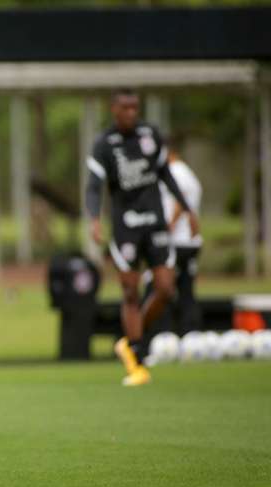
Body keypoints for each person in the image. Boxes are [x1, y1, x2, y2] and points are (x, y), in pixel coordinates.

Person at [86, 89, 199, 386]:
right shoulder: (104, 144)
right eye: (125, 108)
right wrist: (94, 219)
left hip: (155, 224)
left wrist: (187, 210)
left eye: (135, 108)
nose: (131, 113)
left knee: (164, 287)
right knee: (130, 291)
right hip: (126, 226)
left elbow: (166, 174)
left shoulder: (150, 135)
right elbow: (94, 186)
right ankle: (136, 357)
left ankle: (133, 340)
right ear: (113, 109)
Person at [149, 142, 204, 335]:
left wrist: (168, 228)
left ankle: (160, 335)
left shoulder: (176, 172)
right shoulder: (188, 172)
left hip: (175, 241)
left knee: (157, 287)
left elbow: (181, 201)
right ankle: (189, 334)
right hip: (189, 241)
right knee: (186, 290)